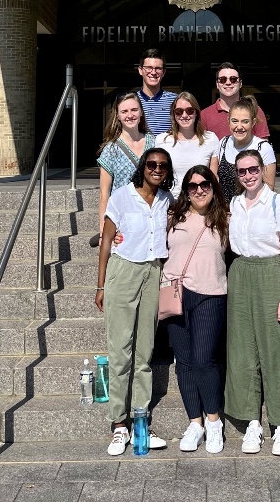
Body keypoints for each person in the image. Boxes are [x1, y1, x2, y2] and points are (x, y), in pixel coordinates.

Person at [95, 147, 174, 456]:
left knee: (144, 352)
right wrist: (100, 284)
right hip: (123, 271)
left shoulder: (167, 200)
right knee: (120, 352)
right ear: (142, 166)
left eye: (163, 166)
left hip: (153, 271)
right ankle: (118, 424)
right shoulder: (122, 197)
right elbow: (105, 241)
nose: (157, 169)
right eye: (152, 164)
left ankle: (140, 420)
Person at [224, 148, 280, 456]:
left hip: (270, 272)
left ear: (262, 169)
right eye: (242, 172)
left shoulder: (278, 202)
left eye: (253, 169)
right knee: (242, 350)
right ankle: (251, 421)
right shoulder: (234, 203)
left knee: (275, 350)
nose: (248, 176)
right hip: (241, 272)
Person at [164, 166, 230, 455]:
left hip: (210, 295)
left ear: (213, 188)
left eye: (204, 185)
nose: (199, 190)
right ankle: (196, 422)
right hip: (174, 294)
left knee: (204, 360)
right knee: (185, 362)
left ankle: (214, 421)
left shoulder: (226, 219)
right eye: (192, 186)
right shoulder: (172, 216)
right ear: (185, 191)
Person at [91, 92, 156, 248]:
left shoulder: (155, 143)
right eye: (124, 111)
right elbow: (104, 193)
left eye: (134, 110)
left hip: (151, 219)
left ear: (141, 112)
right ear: (118, 116)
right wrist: (103, 231)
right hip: (122, 222)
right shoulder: (110, 150)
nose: (130, 115)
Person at [209, 97, 276, 201]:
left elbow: (269, 188)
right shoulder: (223, 143)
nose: (239, 127)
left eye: (245, 122)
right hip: (224, 211)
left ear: (253, 123)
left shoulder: (263, 148)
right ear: (228, 121)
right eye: (234, 121)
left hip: (251, 212)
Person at [155, 92, 220, 190]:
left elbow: (213, 178)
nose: (184, 115)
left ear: (196, 112)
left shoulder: (210, 139)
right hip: (171, 201)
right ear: (173, 114)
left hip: (200, 198)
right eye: (179, 111)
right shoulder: (162, 141)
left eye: (189, 110)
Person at [200, 62, 270, 140]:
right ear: (217, 84)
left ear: (240, 83)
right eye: (222, 79)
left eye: (233, 79)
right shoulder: (204, 115)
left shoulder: (255, 110)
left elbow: (263, 145)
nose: (228, 83)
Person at [137, 48, 177, 134]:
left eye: (158, 68)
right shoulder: (131, 101)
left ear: (164, 72)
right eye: (148, 68)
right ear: (140, 70)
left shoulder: (175, 100)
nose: (153, 72)